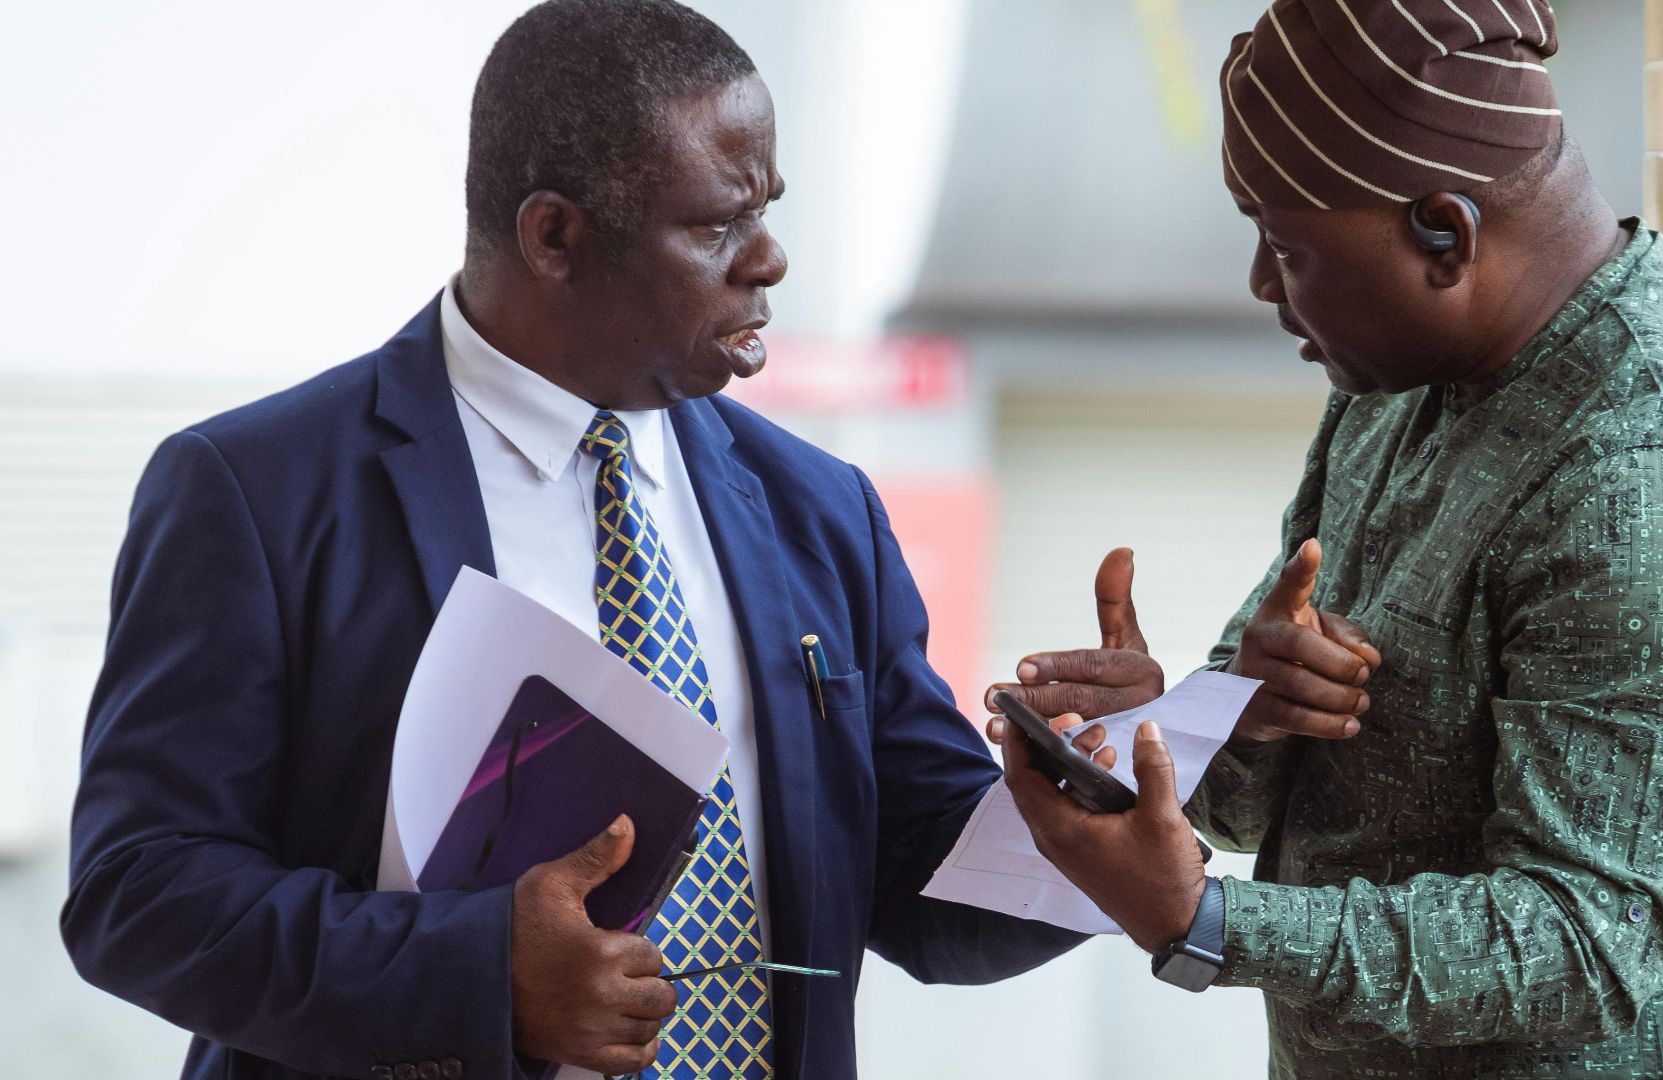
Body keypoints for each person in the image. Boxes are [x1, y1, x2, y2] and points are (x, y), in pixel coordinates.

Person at [61, 3, 1083, 1078]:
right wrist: (474, 976)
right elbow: (139, 891)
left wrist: (1082, 828)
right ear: (555, 235)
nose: (770, 260)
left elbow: (921, 881)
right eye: (715, 225)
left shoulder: (821, 512)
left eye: (768, 210)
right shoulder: (257, 489)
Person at [988, 1, 1663, 1076]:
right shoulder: (1397, 390)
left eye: (1287, 245)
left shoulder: (1657, 477)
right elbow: (1262, 809)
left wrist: (1203, 921)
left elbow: (1585, 947)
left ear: (1444, 233)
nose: (1262, 284)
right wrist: (1214, 725)